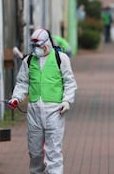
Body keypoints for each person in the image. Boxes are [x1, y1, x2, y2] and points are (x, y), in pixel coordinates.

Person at [7, 28, 77, 174]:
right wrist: (16, 98)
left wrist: (67, 101)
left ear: (47, 44)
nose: (36, 49)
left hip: (55, 110)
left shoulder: (61, 58)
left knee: (54, 151)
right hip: (34, 111)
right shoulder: (28, 60)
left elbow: (69, 82)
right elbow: (22, 82)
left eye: (38, 46)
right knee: (35, 152)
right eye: (33, 46)